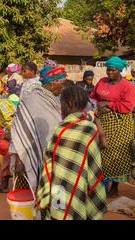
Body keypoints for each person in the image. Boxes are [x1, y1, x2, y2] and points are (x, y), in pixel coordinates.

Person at [37, 85, 107, 220]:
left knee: (60, 212)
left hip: (60, 185)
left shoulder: (60, 129)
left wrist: (44, 190)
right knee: (79, 209)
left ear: (68, 104)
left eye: (61, 103)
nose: (61, 107)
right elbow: (95, 158)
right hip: (82, 183)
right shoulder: (90, 128)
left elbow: (49, 160)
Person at [10, 66, 67, 192]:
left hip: (51, 156)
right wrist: (20, 160)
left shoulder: (56, 100)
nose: (63, 88)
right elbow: (19, 130)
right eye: (61, 84)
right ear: (52, 84)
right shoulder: (31, 100)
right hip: (28, 155)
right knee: (28, 194)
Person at [90, 56, 135, 197]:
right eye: (108, 70)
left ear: (119, 71)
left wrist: (109, 105)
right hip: (101, 122)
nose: (109, 72)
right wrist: (97, 106)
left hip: (120, 124)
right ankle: (101, 185)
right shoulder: (102, 82)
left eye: (112, 70)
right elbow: (93, 97)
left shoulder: (127, 86)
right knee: (101, 152)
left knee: (118, 154)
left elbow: (129, 106)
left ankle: (114, 186)